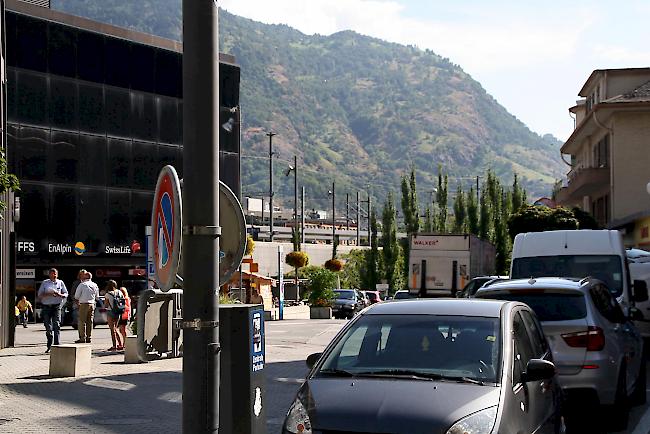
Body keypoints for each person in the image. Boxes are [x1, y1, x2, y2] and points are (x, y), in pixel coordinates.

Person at [37, 268, 68, 353]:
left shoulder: (60, 282)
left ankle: (57, 344)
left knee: (56, 324)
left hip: (56, 306)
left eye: (55, 274)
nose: (54, 275)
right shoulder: (45, 283)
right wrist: (48, 294)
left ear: (57, 274)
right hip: (46, 306)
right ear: (49, 274)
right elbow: (39, 295)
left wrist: (60, 294)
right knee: (48, 326)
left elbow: (66, 294)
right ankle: (49, 345)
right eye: (52, 274)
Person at [74, 271, 100, 343]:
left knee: (82, 321)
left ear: (84, 277)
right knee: (90, 321)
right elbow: (97, 297)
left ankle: (82, 337)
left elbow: (76, 296)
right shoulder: (94, 285)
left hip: (83, 304)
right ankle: (89, 337)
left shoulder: (82, 284)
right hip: (92, 304)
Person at [104, 280, 124, 351]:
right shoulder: (120, 292)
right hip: (118, 311)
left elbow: (106, 305)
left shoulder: (108, 294)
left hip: (110, 312)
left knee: (112, 330)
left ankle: (114, 346)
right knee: (116, 328)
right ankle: (120, 344)